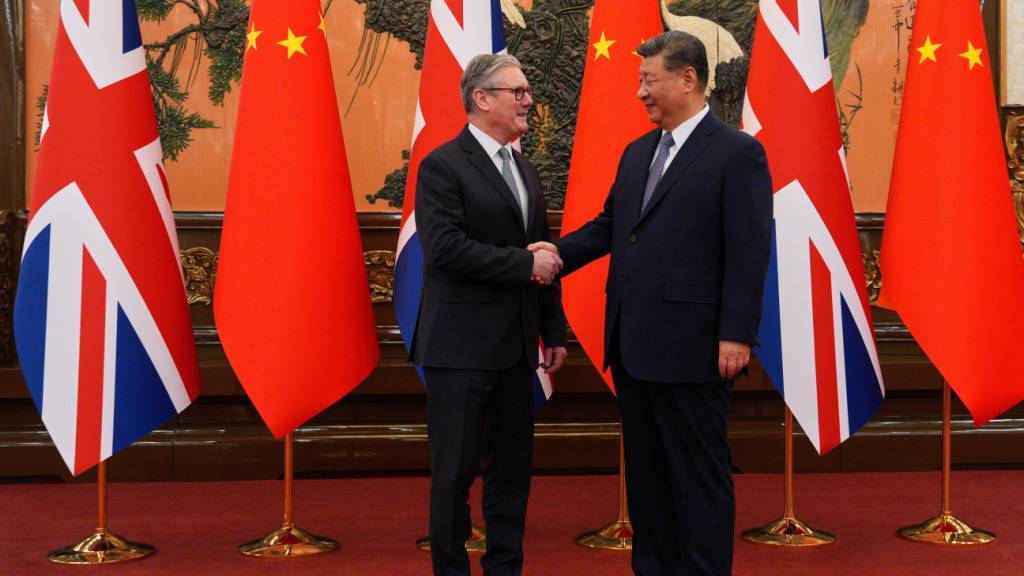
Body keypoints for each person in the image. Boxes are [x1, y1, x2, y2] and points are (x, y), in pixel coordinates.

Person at [530, 31, 773, 575]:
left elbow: (750, 250)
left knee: (698, 479)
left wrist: (736, 332)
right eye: (639, 81)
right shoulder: (638, 151)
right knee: (647, 479)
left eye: (649, 79)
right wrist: (555, 254)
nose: (640, 92)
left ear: (688, 79)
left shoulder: (738, 152)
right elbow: (613, 227)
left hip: (698, 348)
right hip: (634, 342)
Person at [410, 53, 569, 576]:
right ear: (481, 98)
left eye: (527, 91)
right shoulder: (441, 165)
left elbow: (542, 250)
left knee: (512, 472)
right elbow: (447, 249)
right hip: (460, 349)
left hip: (518, 348)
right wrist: (527, 264)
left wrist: (553, 330)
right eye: (518, 92)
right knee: (454, 474)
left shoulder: (523, 167)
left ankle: (505, 569)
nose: (528, 100)